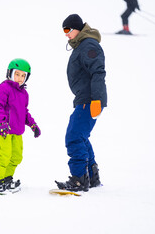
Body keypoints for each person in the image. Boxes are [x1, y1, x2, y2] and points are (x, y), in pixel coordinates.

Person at [55, 14, 107, 192]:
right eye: (64, 31)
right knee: (81, 137)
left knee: (74, 136)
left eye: (68, 29)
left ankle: (79, 179)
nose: (66, 34)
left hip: (89, 100)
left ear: (77, 28)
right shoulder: (82, 45)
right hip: (84, 99)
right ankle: (91, 177)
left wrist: (97, 100)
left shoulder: (88, 45)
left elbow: (98, 72)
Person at [0, 58, 41, 192]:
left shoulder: (24, 93)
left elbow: (24, 112)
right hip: (5, 129)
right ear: (10, 73)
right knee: (5, 154)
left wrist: (32, 124)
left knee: (16, 156)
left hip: (17, 130)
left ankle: (6, 178)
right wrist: (1, 123)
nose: (20, 78)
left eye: (23, 75)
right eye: (17, 74)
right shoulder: (3, 88)